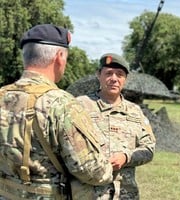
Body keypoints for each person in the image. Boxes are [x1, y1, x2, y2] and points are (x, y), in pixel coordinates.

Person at [0, 24, 113, 200]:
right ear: (59, 57)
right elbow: (91, 170)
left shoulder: (2, 95)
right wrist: (109, 167)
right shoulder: (62, 104)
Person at [76, 53, 156, 199]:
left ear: (125, 79)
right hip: (89, 194)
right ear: (98, 75)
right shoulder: (80, 106)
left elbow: (149, 148)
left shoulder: (135, 112)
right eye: (108, 73)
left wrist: (126, 157)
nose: (114, 78)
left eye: (119, 74)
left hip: (125, 193)